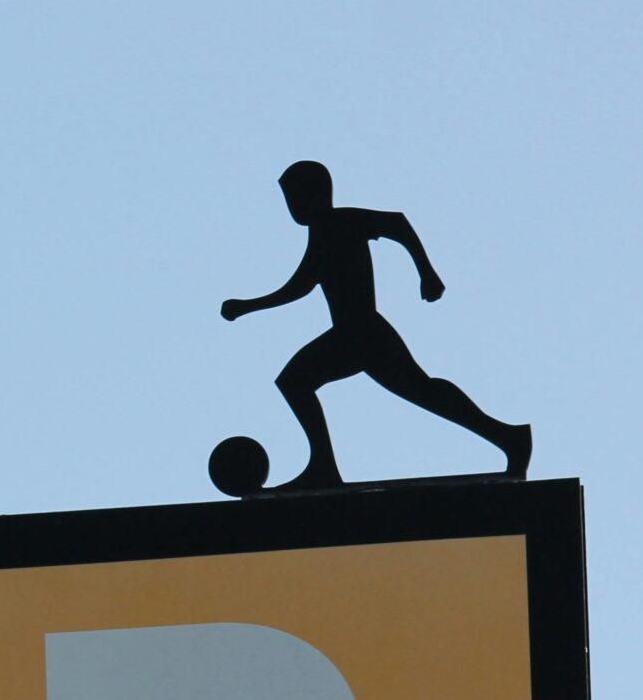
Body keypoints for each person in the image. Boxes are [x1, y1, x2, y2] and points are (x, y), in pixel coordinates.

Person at [221, 160, 530, 487]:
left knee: (296, 381)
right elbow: (299, 286)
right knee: (424, 391)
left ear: (316, 195)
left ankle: (324, 467)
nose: (292, 207)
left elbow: (397, 223)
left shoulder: (343, 222)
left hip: (361, 334)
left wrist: (426, 272)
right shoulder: (322, 233)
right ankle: (509, 438)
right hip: (358, 335)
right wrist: (248, 306)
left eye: (295, 198)